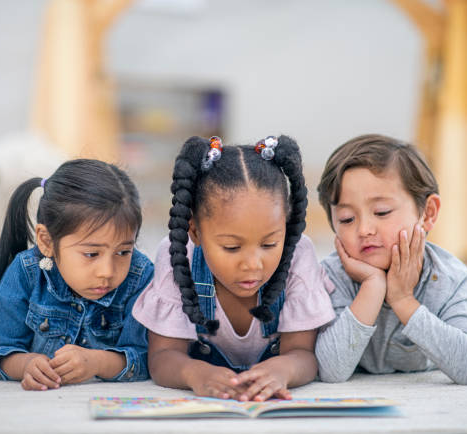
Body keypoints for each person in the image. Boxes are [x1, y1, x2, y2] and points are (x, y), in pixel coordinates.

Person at [133, 135, 335, 401]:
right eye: (231, 247)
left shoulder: (298, 254)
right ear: (194, 230)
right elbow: (162, 356)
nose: (252, 264)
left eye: (269, 243)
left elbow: (303, 354)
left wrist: (283, 370)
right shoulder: (177, 255)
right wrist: (194, 374)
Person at [315, 134, 467, 385]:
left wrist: (403, 299)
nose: (364, 230)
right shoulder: (332, 276)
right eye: (347, 219)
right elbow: (330, 370)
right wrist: (373, 286)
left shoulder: (450, 278)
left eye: (382, 212)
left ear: (428, 213)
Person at [0, 159, 153, 390]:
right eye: (92, 254)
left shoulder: (140, 276)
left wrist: (98, 362)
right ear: (47, 241)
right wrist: (26, 364)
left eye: (123, 251)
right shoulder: (27, 273)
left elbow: (149, 360)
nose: (108, 271)